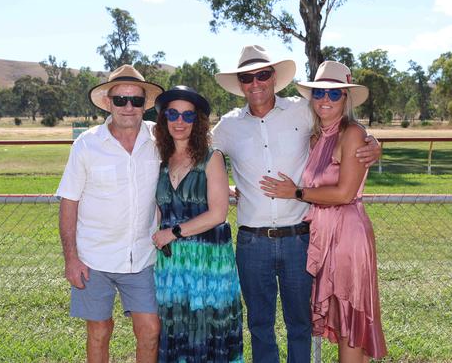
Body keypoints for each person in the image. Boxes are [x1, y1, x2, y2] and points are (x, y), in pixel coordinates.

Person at [212, 45, 381, 363]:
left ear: (274, 78)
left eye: (263, 74)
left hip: (300, 239)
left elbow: (343, 125)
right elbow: (191, 147)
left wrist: (373, 143)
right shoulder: (227, 126)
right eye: (248, 77)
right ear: (240, 84)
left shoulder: (301, 111)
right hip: (252, 242)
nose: (256, 82)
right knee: (260, 326)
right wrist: (222, 189)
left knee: (300, 326)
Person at [259, 61, 388, 362]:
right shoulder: (316, 136)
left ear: (346, 98)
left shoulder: (352, 133)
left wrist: (296, 193)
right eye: (319, 93)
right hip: (324, 233)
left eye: (334, 94)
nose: (325, 100)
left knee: (350, 315)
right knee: (340, 316)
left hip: (348, 236)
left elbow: (344, 193)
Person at [56, 64, 163, 363]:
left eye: (136, 100)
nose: (128, 107)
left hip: (143, 256)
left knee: (150, 330)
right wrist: (71, 258)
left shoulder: (160, 139)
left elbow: (197, 156)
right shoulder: (86, 144)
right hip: (94, 258)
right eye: (120, 100)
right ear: (108, 102)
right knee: (100, 331)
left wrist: (224, 186)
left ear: (145, 104)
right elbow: (69, 202)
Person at [151, 86, 243, 362]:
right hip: (173, 264)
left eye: (188, 116)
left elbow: (218, 213)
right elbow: (158, 210)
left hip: (208, 262)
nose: (180, 122)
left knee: (208, 328)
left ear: (198, 121)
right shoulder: (160, 161)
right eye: (173, 114)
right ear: (164, 119)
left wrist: (174, 232)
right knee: (175, 327)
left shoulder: (211, 158)